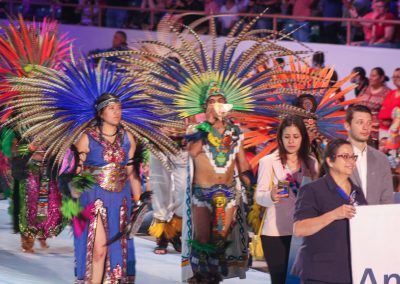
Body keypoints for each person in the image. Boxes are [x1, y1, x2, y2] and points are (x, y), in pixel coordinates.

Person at [184, 83, 253, 283]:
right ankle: (197, 277)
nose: (216, 106)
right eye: (212, 102)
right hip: (202, 193)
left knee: (220, 238)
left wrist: (252, 185)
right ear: (205, 107)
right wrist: (207, 124)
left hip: (228, 194)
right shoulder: (196, 129)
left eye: (220, 102)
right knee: (202, 239)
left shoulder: (236, 132)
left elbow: (243, 163)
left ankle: (213, 278)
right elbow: (193, 152)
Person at [292, 139, 367, 283]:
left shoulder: (357, 192)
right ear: (330, 161)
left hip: (350, 272)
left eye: (353, 156)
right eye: (345, 156)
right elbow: (299, 228)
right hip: (319, 272)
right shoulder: (312, 190)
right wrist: (334, 215)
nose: (351, 161)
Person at [255, 115, 319, 284]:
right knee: (279, 279)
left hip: (302, 231)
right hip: (275, 233)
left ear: (303, 138)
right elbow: (259, 197)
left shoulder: (312, 163)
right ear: (280, 138)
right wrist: (271, 195)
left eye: (296, 137)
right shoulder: (268, 162)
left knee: (300, 279)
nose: (291, 141)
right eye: (287, 136)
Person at [345, 104, 394, 204]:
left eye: (369, 123)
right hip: (344, 217)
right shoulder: (336, 156)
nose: (365, 127)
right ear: (347, 125)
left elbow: (387, 199)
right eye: (360, 122)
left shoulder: (381, 159)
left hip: (375, 217)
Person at [357, 67, 391, 146]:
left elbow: (387, 113)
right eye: (370, 75)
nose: (370, 78)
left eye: (373, 76)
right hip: (361, 127)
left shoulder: (387, 92)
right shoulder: (365, 89)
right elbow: (357, 102)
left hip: (376, 131)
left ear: (381, 78)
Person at [378, 68, 400, 139]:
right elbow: (381, 113)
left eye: (398, 77)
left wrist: (391, 112)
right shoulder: (391, 93)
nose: (395, 79)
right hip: (384, 130)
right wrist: (393, 112)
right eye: (394, 77)